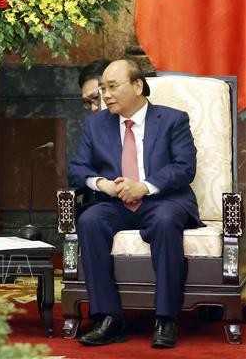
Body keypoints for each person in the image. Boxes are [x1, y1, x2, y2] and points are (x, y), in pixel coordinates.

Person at [68, 59, 199, 349]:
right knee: (90, 220)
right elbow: (76, 169)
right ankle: (108, 318)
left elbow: (184, 167)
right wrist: (102, 185)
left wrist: (144, 186)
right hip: (115, 204)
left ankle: (166, 318)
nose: (106, 95)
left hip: (161, 200)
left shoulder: (172, 120)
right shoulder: (95, 125)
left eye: (113, 87)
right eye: (103, 88)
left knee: (166, 222)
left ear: (138, 85)